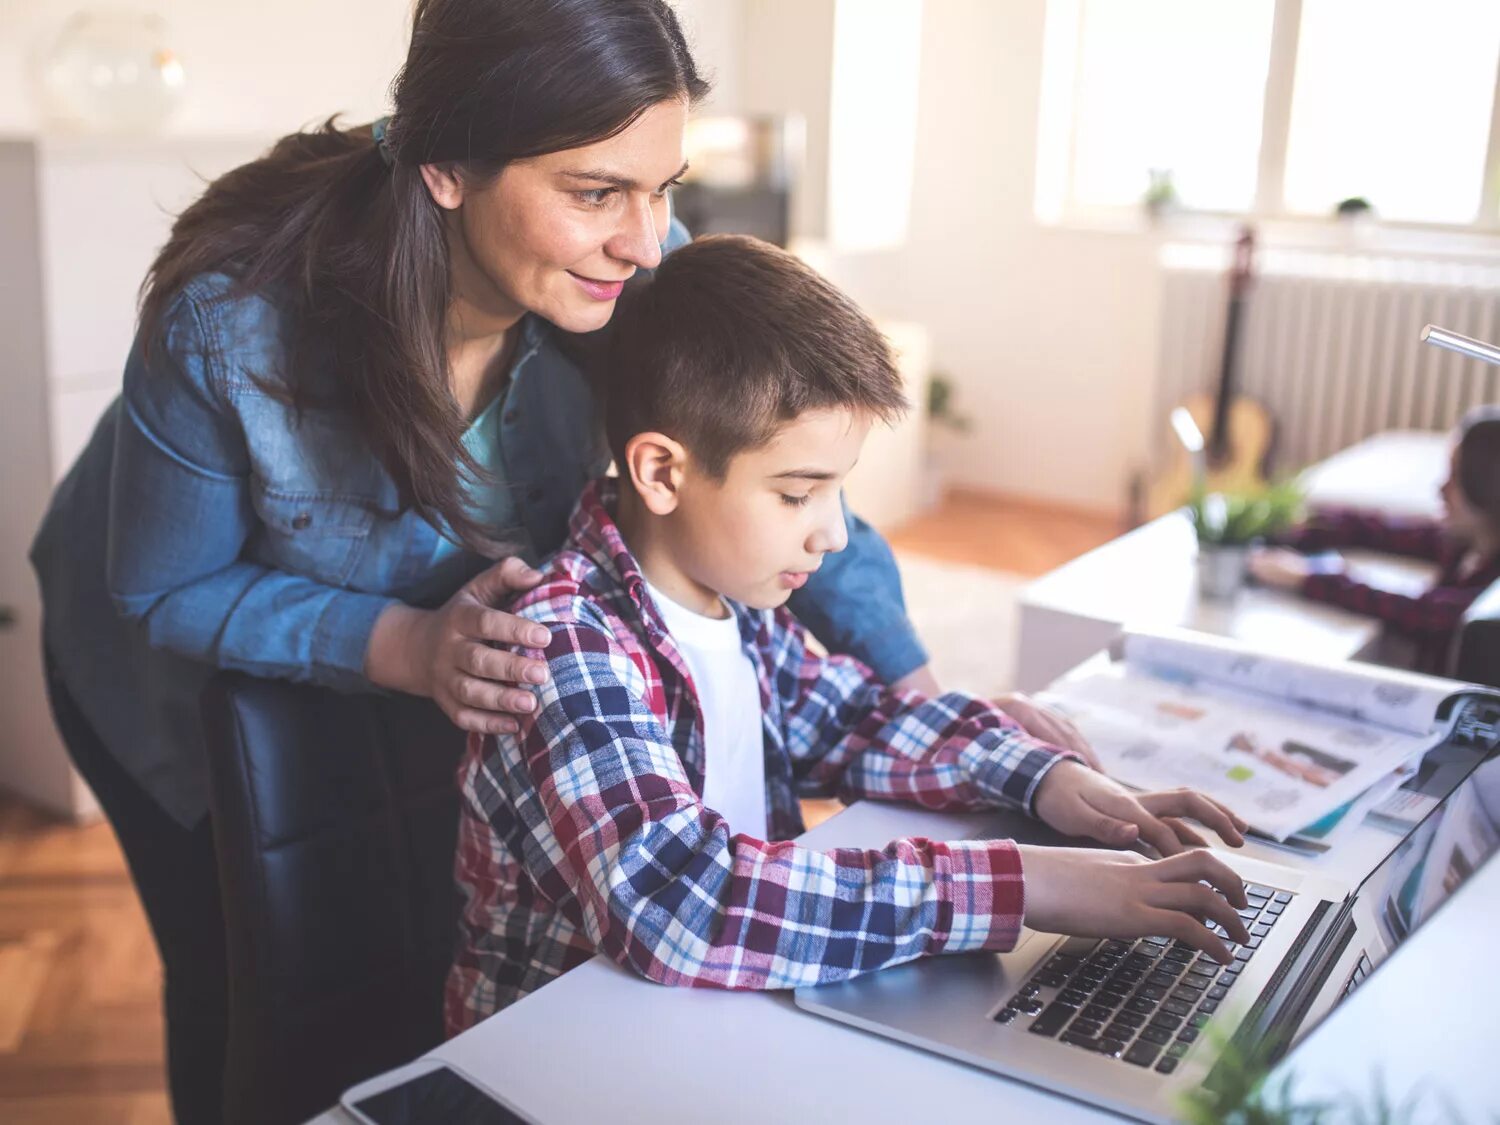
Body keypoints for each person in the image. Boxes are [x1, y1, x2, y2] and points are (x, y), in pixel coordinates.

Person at [30, 2, 1081, 1118]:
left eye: (664, 184)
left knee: (423, 936)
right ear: (446, 168)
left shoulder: (632, 261)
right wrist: (403, 642)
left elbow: (776, 472)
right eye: (596, 192)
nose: (645, 240)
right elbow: (165, 588)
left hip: (454, 653)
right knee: (243, 985)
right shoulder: (232, 328)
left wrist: (916, 699)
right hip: (176, 673)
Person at [446, 234, 1254, 1034]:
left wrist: (1051, 781)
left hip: (719, 1014)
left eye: (839, 490)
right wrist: (1024, 883)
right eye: (799, 494)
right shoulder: (560, 644)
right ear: (662, 472)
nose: (833, 534)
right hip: (560, 1056)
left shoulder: (738, 607)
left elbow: (856, 717)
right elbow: (685, 905)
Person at [1249, 406, 1500, 673]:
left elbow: (1424, 614)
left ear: (1487, 488)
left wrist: (1308, 577)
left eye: (1455, 478)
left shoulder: (1488, 591)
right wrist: (1305, 523)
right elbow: (1385, 531)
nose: (1440, 489)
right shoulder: (1471, 542)